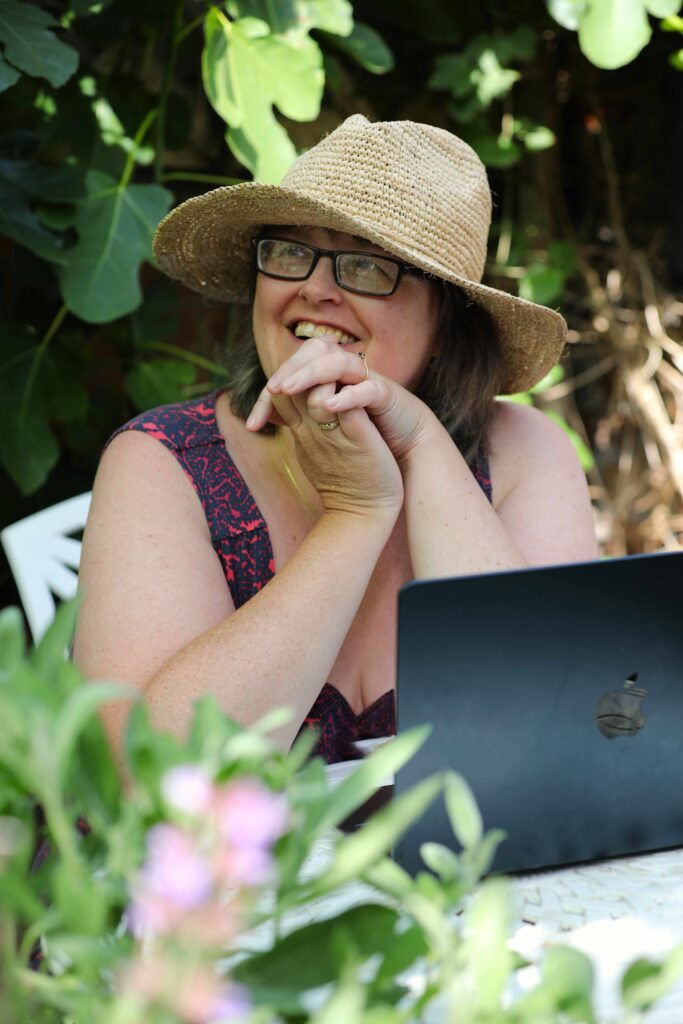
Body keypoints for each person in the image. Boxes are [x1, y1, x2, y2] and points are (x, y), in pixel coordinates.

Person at [73, 115, 598, 764]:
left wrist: (422, 445)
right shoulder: (161, 460)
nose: (313, 289)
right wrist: (356, 514)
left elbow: (558, 740)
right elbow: (148, 780)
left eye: (364, 265)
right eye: (290, 252)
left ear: (448, 316)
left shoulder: (524, 452)